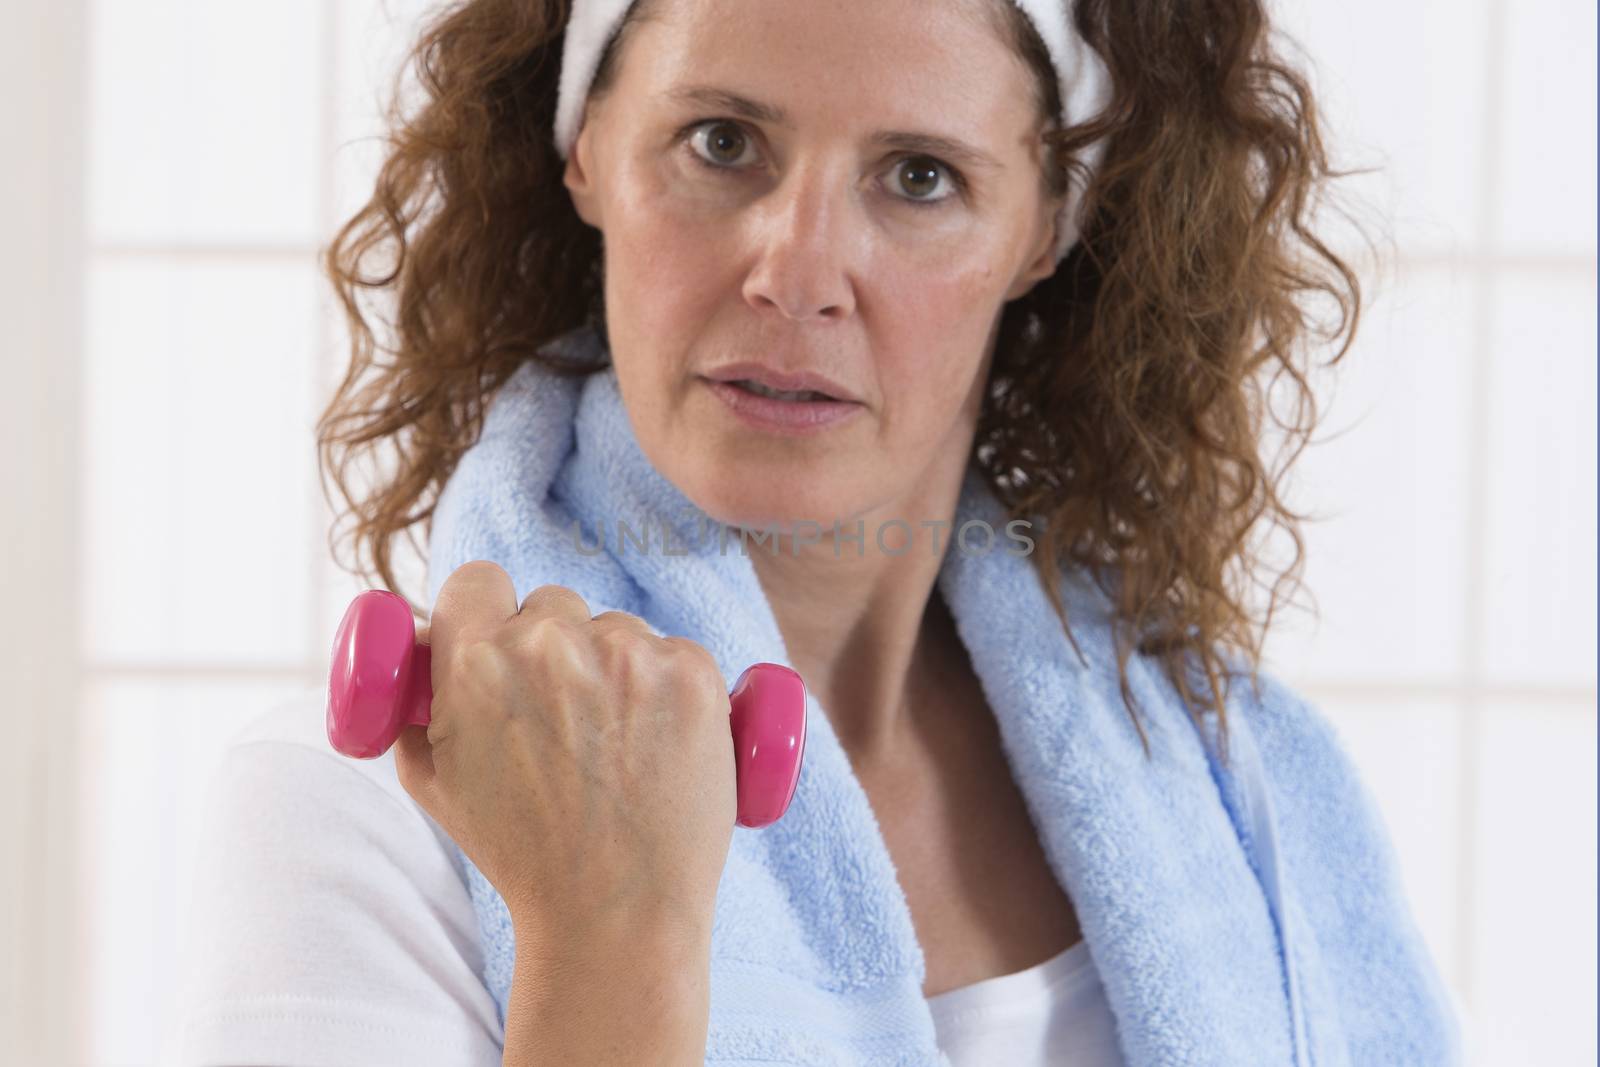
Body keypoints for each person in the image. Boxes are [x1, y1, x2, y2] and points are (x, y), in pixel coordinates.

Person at [169, 0, 1463, 1064]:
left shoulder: (1240, 800)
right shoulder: (360, 814)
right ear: (587, 152)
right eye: (723, 142)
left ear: (1045, 227)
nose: (796, 272)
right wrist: (609, 936)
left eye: (919, 178)